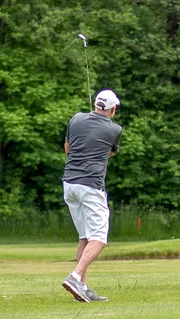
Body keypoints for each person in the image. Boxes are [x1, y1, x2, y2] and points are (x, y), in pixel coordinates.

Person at [61, 89, 123, 302]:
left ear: (97, 104)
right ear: (113, 109)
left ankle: (82, 289)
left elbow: (68, 148)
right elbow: (110, 153)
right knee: (99, 238)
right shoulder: (115, 129)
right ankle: (75, 277)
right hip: (90, 186)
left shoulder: (76, 118)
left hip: (69, 184)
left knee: (85, 237)